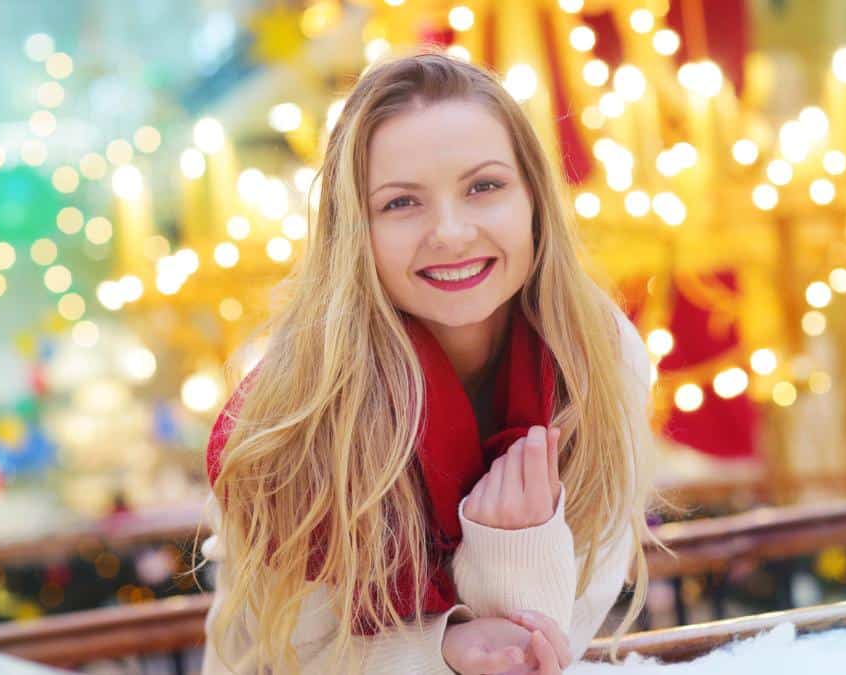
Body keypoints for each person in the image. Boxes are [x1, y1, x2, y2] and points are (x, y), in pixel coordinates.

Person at [195, 49, 657, 675]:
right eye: (401, 204)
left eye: (484, 187)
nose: (451, 232)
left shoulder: (601, 357)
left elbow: (544, 648)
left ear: (534, 201)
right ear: (355, 231)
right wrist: (442, 649)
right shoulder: (288, 413)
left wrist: (513, 554)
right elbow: (290, 657)